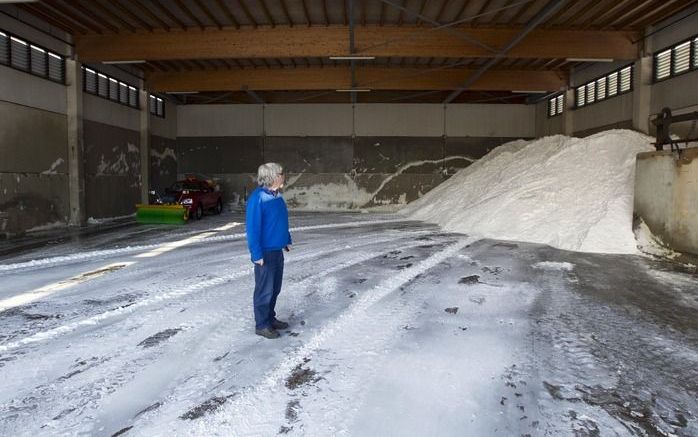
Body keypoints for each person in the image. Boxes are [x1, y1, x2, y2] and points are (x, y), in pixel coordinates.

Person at [245, 162, 292, 339]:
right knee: (264, 290)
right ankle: (262, 324)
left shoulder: (276, 196)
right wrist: (256, 254)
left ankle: (270, 318)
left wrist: (286, 240)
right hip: (265, 253)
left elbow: (281, 221)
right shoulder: (258, 199)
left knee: (275, 288)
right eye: (281, 173)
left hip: (277, 250)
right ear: (272, 177)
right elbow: (253, 229)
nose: (283, 176)